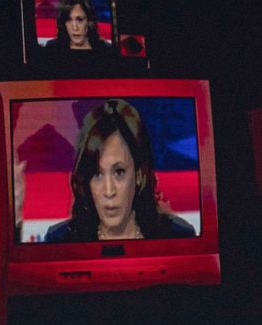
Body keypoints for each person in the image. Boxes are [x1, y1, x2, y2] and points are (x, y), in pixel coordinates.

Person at [44, 99, 197, 242]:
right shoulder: (60, 239)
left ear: (138, 174)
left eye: (119, 172)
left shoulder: (177, 236)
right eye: (97, 174)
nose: (109, 191)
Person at [44, 0, 111, 54]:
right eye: (69, 20)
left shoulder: (105, 49)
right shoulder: (53, 47)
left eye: (79, 20)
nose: (75, 28)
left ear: (89, 22)